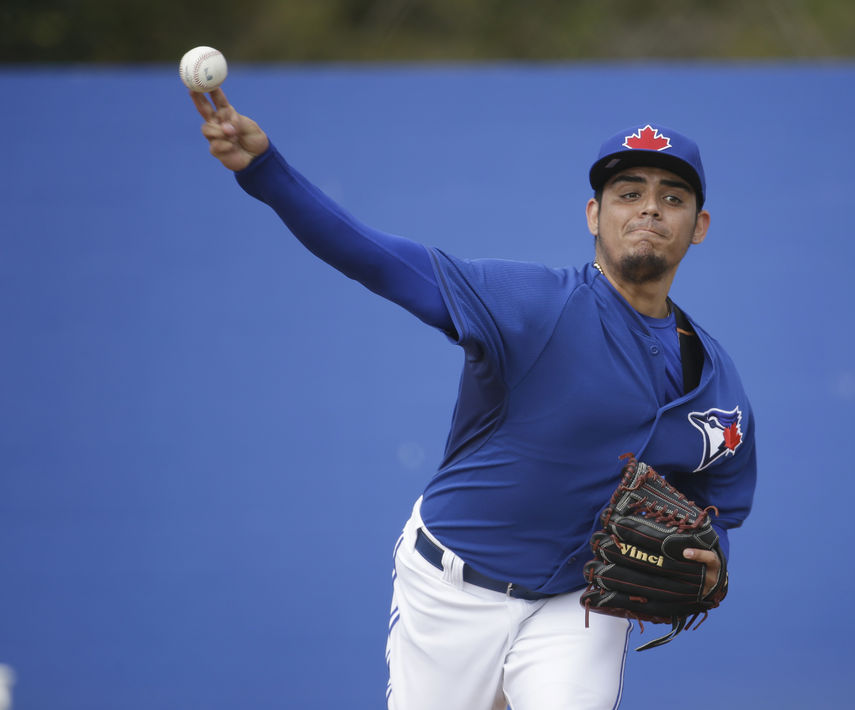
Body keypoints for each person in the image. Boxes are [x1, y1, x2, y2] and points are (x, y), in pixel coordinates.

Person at [191, 88, 757, 710]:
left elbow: (719, 505)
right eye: (629, 193)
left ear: (699, 226)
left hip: (577, 605)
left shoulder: (716, 383)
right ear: (594, 215)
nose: (650, 207)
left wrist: (712, 555)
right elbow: (377, 259)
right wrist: (265, 170)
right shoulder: (533, 304)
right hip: (451, 590)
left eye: (672, 198)